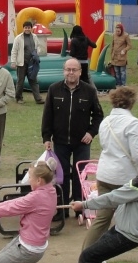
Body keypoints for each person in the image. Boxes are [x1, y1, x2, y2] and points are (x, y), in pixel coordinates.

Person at [84, 86, 138, 263]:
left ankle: (87, 255)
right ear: (131, 103)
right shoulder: (133, 123)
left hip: (104, 173)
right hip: (125, 176)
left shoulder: (105, 121)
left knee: (102, 217)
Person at [42, 59, 104, 211]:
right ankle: (61, 209)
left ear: (80, 72)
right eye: (68, 69)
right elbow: (47, 116)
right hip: (60, 142)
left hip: (82, 143)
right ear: (63, 71)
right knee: (61, 177)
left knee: (80, 177)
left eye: (74, 70)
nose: (70, 72)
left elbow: (98, 116)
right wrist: (46, 138)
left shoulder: (89, 91)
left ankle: (80, 209)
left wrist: (91, 133)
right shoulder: (54, 89)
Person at [9, 20, 44, 104]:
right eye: (26, 28)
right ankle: (19, 98)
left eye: (29, 28)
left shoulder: (34, 37)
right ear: (23, 28)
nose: (27, 29)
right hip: (22, 63)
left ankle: (38, 99)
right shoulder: (18, 38)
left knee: (34, 80)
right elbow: (14, 50)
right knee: (20, 81)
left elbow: (38, 46)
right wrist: (13, 62)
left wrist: (36, 52)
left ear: (31, 28)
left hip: (32, 63)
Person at [108, 23, 131, 87]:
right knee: (116, 72)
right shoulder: (114, 35)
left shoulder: (126, 36)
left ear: (122, 30)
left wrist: (124, 50)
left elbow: (130, 45)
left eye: (119, 31)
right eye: (116, 31)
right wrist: (111, 55)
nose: (117, 32)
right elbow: (112, 45)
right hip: (115, 57)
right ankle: (118, 84)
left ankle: (123, 84)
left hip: (122, 57)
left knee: (122, 72)